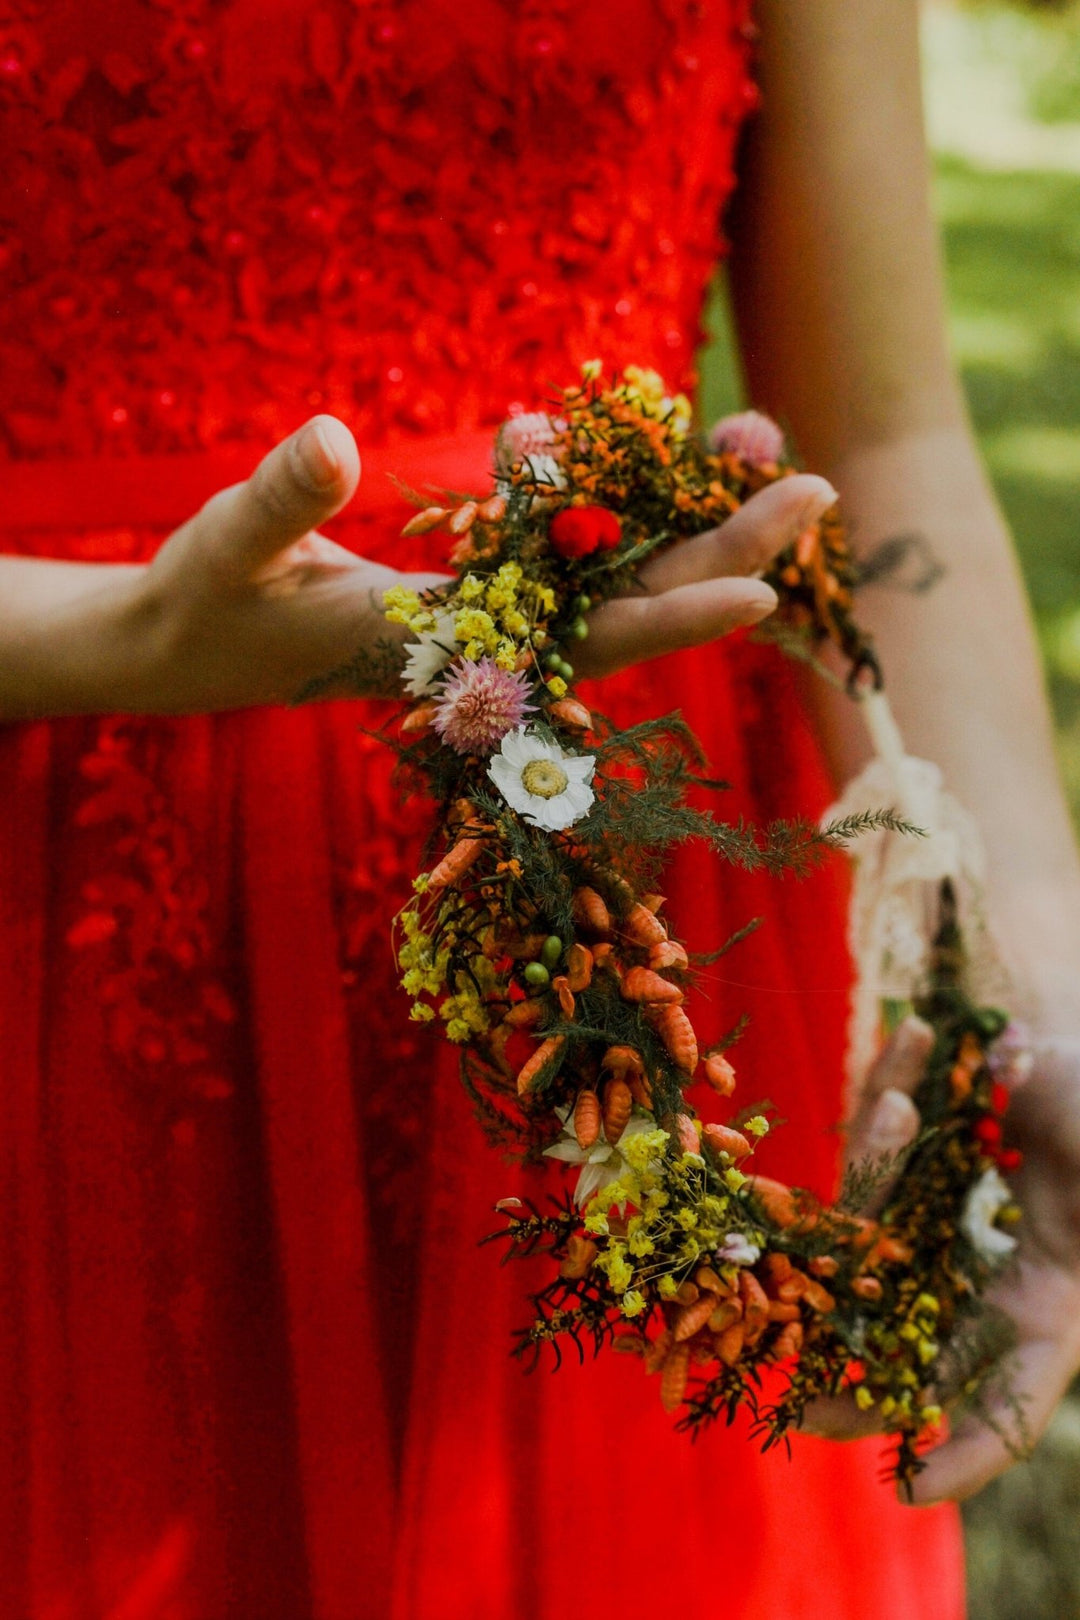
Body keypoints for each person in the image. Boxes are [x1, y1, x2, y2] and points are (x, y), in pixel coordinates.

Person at [2, 2, 1078, 1615]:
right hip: (58, 893)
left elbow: (890, 439)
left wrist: (1037, 997)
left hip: (622, 934)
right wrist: (119, 637)